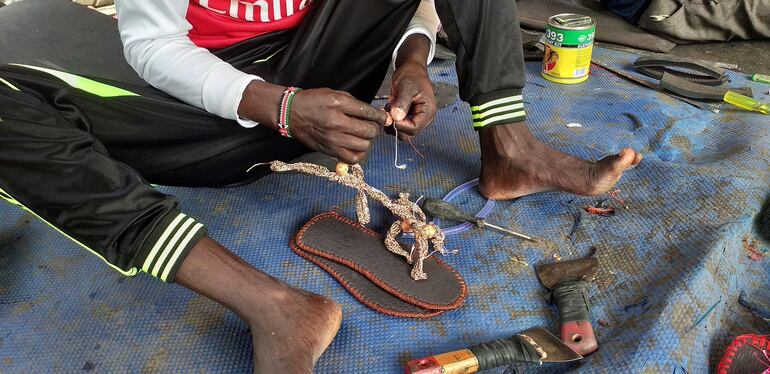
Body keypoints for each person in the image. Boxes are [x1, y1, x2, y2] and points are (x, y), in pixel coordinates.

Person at [0, 0, 641, 372]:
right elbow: (151, 43)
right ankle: (276, 307)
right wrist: (279, 107)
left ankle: (510, 150)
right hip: (208, 111)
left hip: (327, 88)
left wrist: (411, 60)